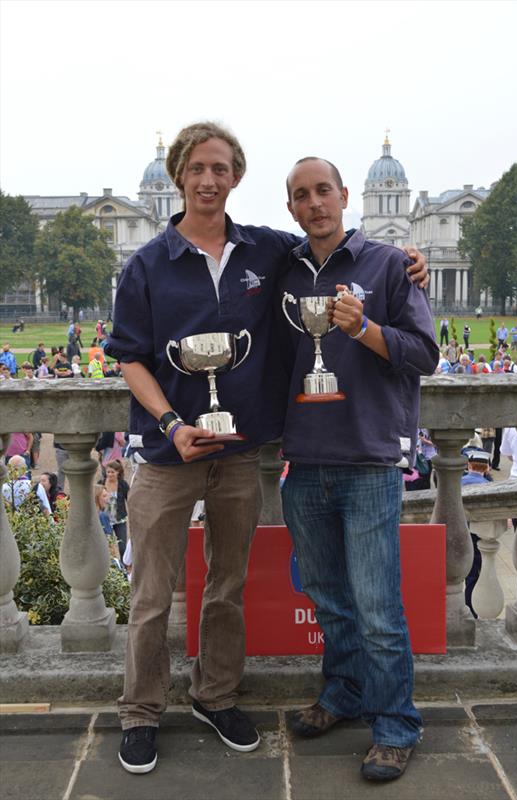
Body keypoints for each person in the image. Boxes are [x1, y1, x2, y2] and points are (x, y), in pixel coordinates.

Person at [105, 121, 429, 776]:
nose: (208, 179)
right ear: (179, 176)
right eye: (197, 168)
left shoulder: (280, 252)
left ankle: (228, 698)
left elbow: (399, 324)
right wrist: (170, 422)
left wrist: (399, 269)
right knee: (157, 595)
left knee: (253, 592)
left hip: (283, 455)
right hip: (193, 453)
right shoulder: (162, 263)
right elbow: (128, 359)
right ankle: (141, 711)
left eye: (220, 168)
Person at [279, 156, 439, 783]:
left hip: (369, 457)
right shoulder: (284, 266)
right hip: (305, 457)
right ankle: (343, 691)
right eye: (301, 195)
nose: (314, 202)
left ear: (346, 196)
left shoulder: (392, 264)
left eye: (323, 191)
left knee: (377, 606)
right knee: (328, 598)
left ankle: (396, 723)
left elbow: (424, 353)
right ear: (291, 207)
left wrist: (366, 328)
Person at [461, 450, 491, 617]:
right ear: (486, 467)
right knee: (474, 573)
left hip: (460, 531)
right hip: (479, 533)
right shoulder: (488, 485)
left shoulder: (459, 481)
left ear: (469, 465)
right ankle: (472, 609)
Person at [99, 459, 129, 559]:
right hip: (105, 520)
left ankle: (124, 568)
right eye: (108, 472)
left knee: (122, 546)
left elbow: (129, 499)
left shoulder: (123, 485)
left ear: (118, 472)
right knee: (107, 547)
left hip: (120, 520)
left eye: (113, 472)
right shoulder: (101, 483)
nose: (110, 474)